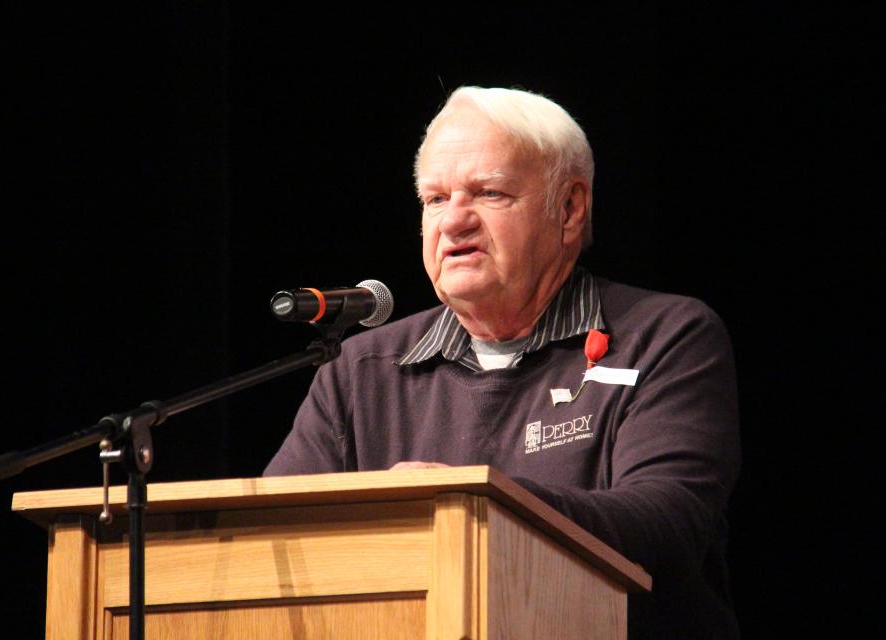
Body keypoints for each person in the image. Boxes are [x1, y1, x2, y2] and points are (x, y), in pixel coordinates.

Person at [265, 86, 741, 639]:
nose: (454, 221)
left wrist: (476, 505)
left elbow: (666, 526)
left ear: (568, 209)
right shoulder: (360, 370)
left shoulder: (665, 336)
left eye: (488, 193)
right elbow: (278, 540)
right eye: (435, 199)